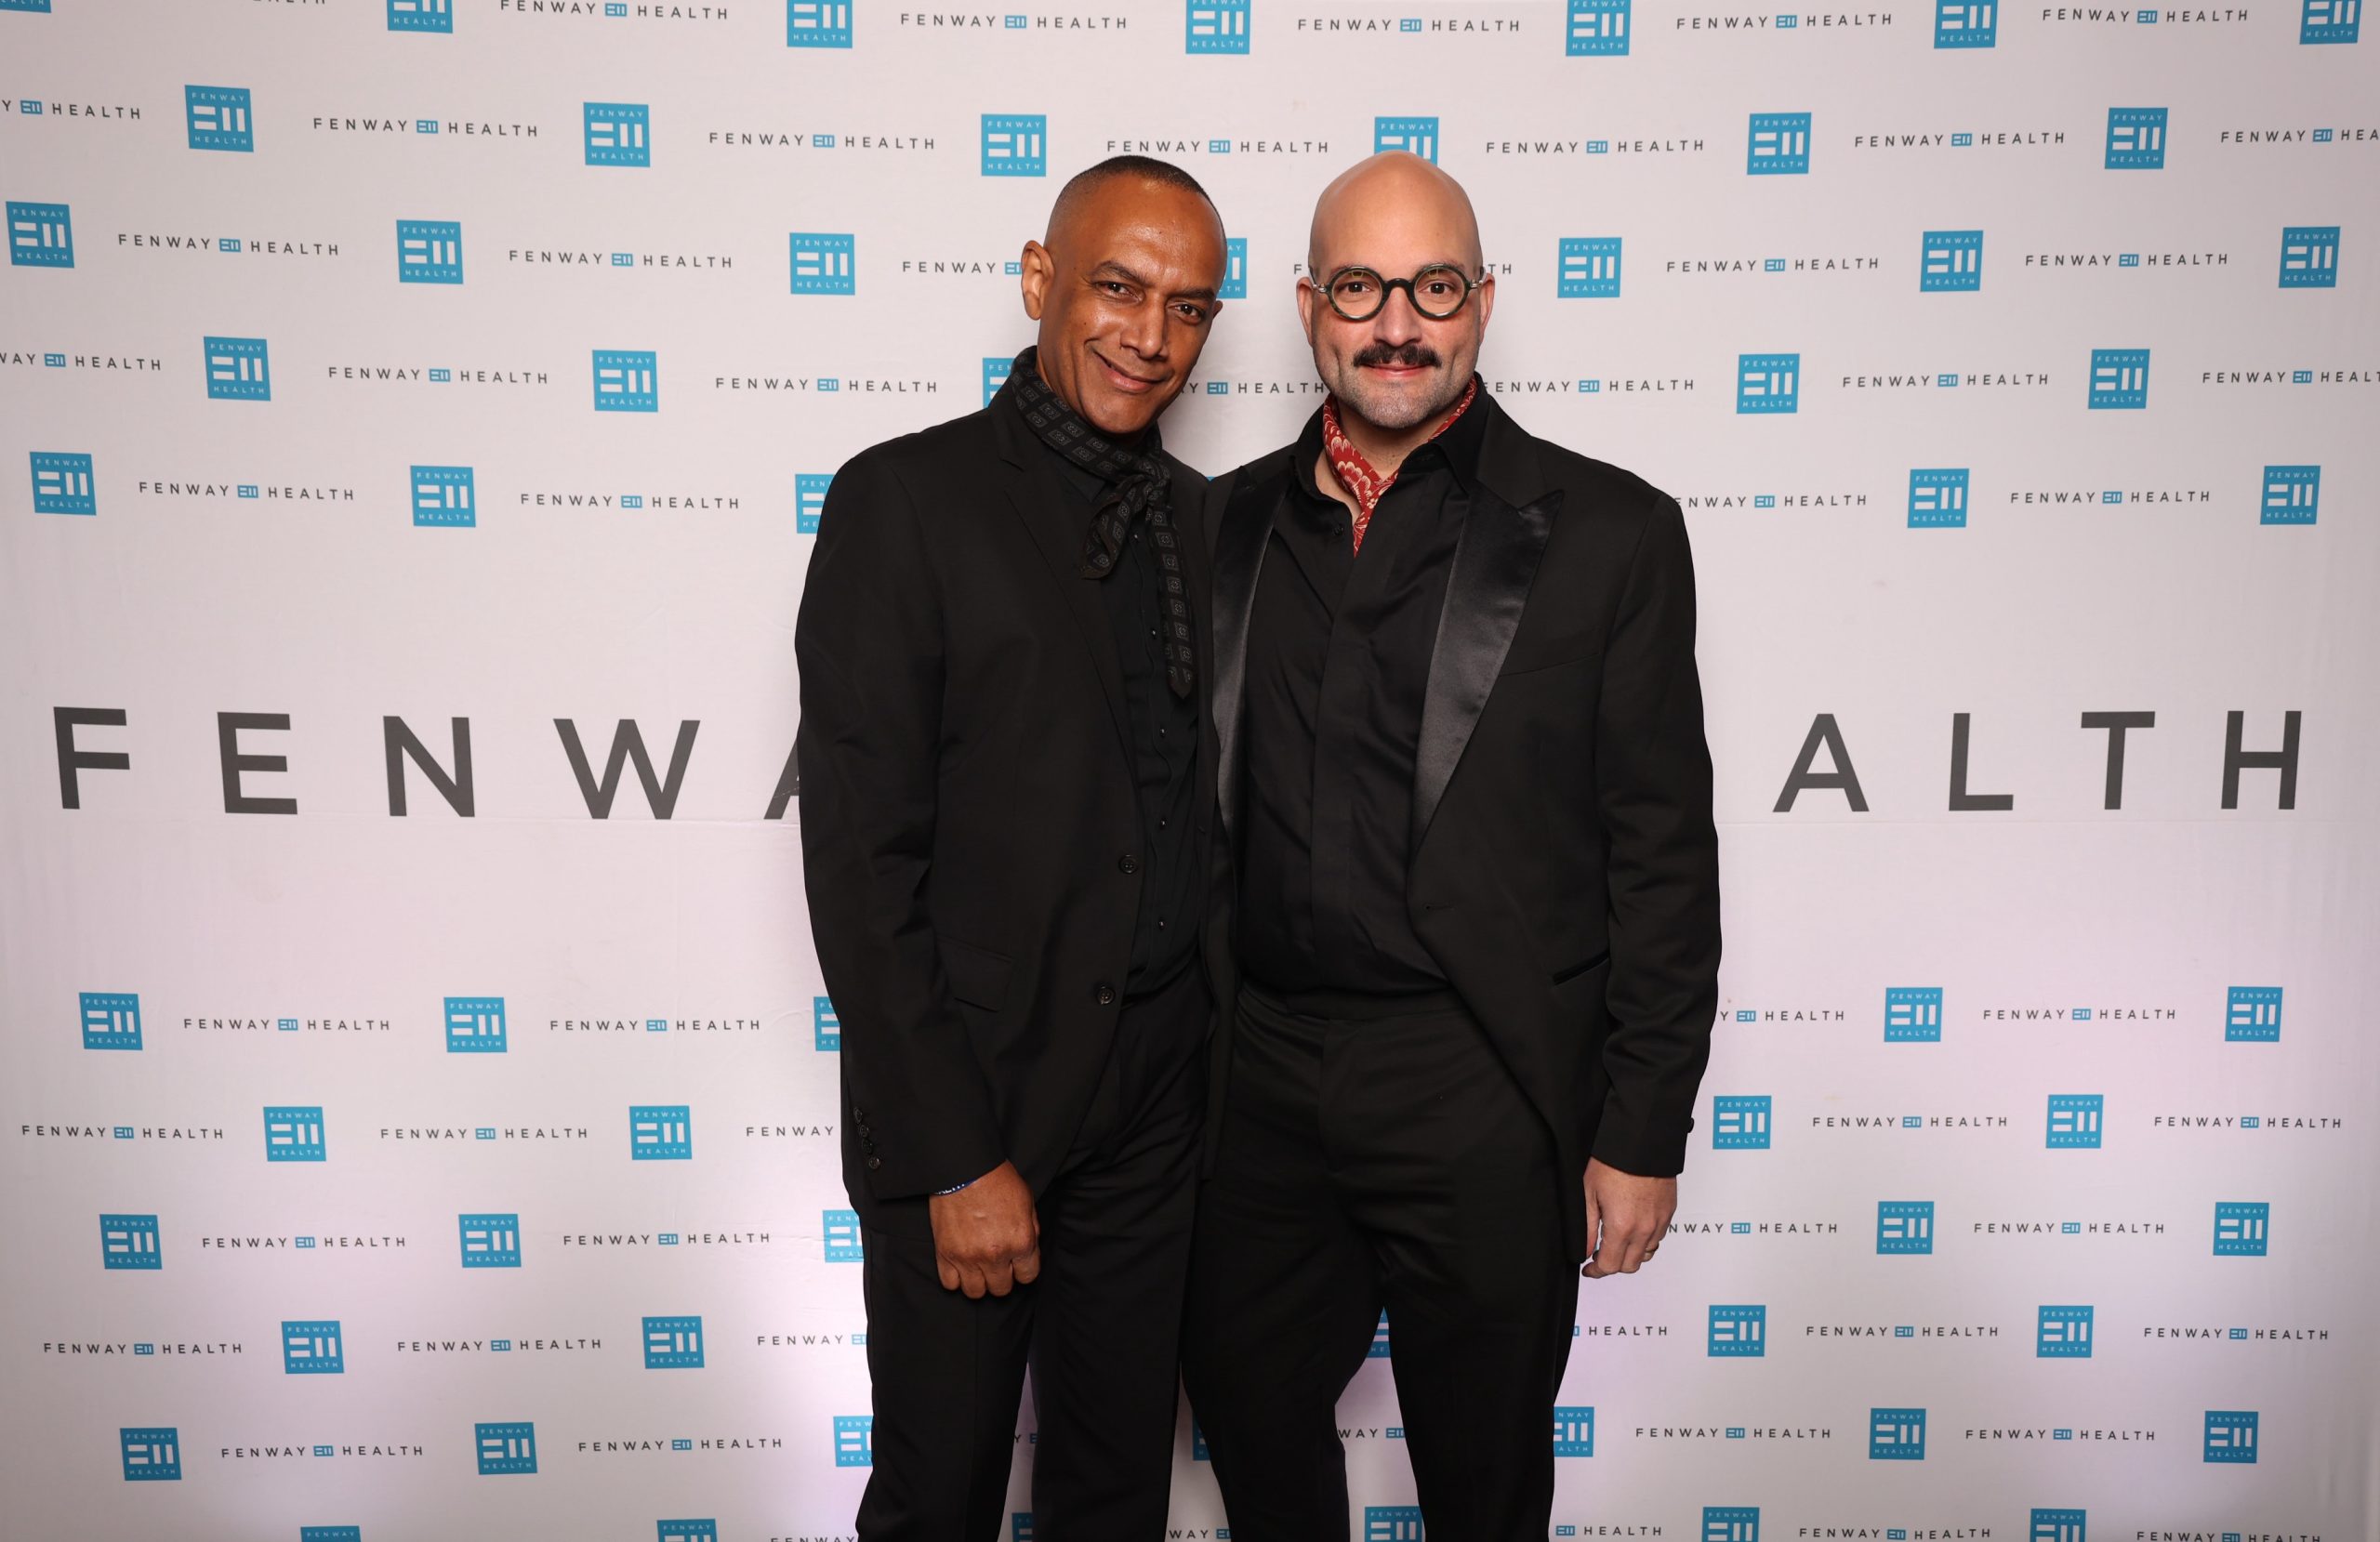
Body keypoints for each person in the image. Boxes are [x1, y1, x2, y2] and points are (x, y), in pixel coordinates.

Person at [1181, 151, 1723, 1539]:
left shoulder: (1611, 534)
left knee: (1484, 1482)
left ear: (1483, 302)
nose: (1396, 325)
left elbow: (1663, 858)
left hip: (1480, 1080)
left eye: (1432, 287)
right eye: (1359, 287)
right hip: (1261, 1080)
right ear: (1308, 306)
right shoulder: (1221, 525)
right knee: (1250, 1430)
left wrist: (1642, 1128)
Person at [794, 155, 1230, 1541]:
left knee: (1115, 1501)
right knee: (941, 1501)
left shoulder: (1205, 524)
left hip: (1157, 1115)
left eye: (1187, 307)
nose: (1149, 336)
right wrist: (951, 1157)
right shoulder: (904, 501)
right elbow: (862, 869)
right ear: (1041, 281)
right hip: (973, 1112)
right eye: (1118, 288)